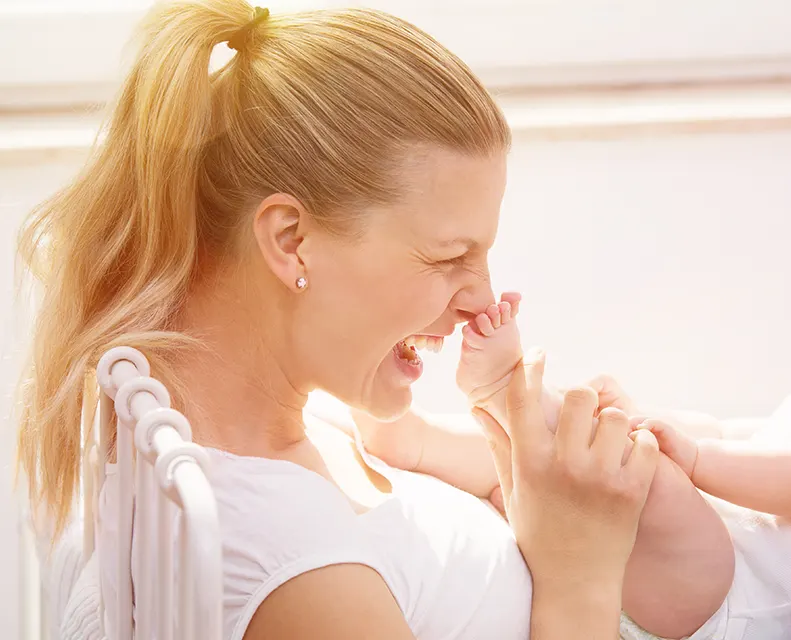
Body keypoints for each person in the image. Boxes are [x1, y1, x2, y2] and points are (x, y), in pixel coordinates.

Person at [15, 1, 660, 639]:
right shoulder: (295, 573)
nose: (481, 298)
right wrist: (582, 580)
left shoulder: (295, 414)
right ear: (291, 239)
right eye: (450, 255)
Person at [367, 225, 791, 639]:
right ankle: (424, 441)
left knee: (644, 475)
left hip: (731, 606)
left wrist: (690, 457)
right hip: (664, 581)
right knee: (584, 462)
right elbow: (725, 430)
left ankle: (510, 392)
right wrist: (654, 422)